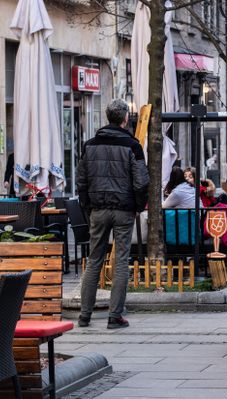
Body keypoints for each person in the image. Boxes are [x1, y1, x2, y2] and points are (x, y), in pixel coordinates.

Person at [77, 99, 149, 329]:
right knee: (121, 261)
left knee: (94, 260)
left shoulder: (89, 145)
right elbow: (141, 182)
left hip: (98, 209)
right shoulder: (132, 146)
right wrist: (138, 206)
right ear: (125, 119)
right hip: (124, 209)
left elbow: (81, 180)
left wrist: (88, 205)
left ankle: (84, 316)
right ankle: (114, 316)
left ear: (108, 117)